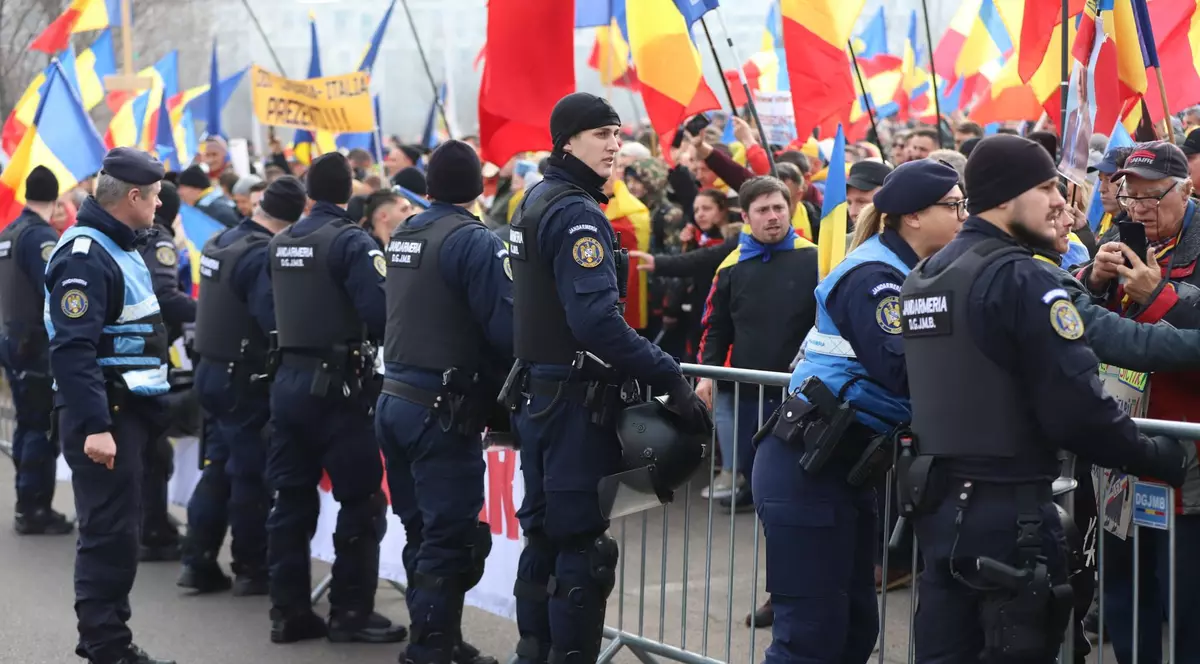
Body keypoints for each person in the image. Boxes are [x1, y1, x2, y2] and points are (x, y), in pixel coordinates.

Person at [899, 135, 1188, 663]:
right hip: (1008, 514)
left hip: (941, 510)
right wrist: (1156, 457)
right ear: (1005, 199)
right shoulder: (1021, 278)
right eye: (1047, 187)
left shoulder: (926, 275)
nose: (1062, 202)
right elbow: (1078, 410)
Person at [507, 92, 712, 664]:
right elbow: (596, 321)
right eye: (600, 134)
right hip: (571, 405)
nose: (614, 144)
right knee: (579, 548)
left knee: (547, 537)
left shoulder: (535, 199)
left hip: (543, 395)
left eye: (617, 134)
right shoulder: (575, 212)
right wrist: (668, 375)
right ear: (566, 141)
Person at [754, 160, 964, 662]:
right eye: (954, 206)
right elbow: (902, 369)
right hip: (807, 468)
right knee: (809, 637)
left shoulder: (912, 270)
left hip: (847, 469)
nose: (963, 215)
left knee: (854, 630)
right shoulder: (873, 275)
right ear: (913, 216)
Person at [265, 152, 406, 645]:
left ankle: (288, 612)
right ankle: (350, 612)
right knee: (362, 500)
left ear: (308, 194)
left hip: (287, 383)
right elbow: (381, 312)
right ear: (351, 193)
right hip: (339, 389)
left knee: (291, 500)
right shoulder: (351, 241)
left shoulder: (282, 241)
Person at [375, 140, 506, 664]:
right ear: (480, 187)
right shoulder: (474, 242)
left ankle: (437, 638)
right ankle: (432, 648)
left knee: (422, 533)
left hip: (396, 401)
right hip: (439, 411)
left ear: (428, 188)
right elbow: (504, 330)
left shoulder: (407, 230)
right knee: (451, 538)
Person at [45, 147, 176, 664]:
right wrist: (97, 425)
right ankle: (105, 646)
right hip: (106, 417)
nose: (161, 204)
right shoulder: (85, 253)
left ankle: (109, 639)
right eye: (157, 196)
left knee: (121, 533)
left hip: (128, 412)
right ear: (136, 196)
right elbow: (73, 349)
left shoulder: (117, 244)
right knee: (108, 534)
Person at [1078, 140, 1200, 664]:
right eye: (1132, 195)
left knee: (1185, 594)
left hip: (1185, 449)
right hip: (1121, 441)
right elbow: (1075, 309)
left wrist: (1159, 296)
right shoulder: (1118, 232)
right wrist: (1095, 280)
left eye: (1154, 197)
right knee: (1126, 588)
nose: (1140, 208)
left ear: (1188, 189)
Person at [177, 176, 307, 596]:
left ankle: (198, 561)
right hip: (242, 377)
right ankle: (251, 567)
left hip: (212, 370)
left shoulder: (223, 240)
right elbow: (274, 319)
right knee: (250, 475)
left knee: (218, 470)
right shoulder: (260, 254)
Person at [695, 176, 819, 514]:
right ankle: (752, 492)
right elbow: (716, 327)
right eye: (762, 210)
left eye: (779, 207)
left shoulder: (815, 260)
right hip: (749, 383)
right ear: (746, 217)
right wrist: (707, 375)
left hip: (800, 383)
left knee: (795, 456)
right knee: (754, 452)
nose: (773, 216)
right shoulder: (731, 266)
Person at [0, 166, 74, 534]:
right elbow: (57, 289)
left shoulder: (10, 231)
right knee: (40, 428)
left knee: (28, 424)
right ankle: (34, 509)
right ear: (57, 199)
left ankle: (26, 503)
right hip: (34, 344)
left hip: (14, 339)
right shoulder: (40, 236)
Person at [133, 181, 195, 562]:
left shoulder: (134, 235)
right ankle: (151, 529)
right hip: (145, 351)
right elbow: (164, 296)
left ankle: (149, 521)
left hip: (132, 350)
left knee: (146, 448)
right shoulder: (160, 240)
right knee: (153, 450)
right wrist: (208, 312)